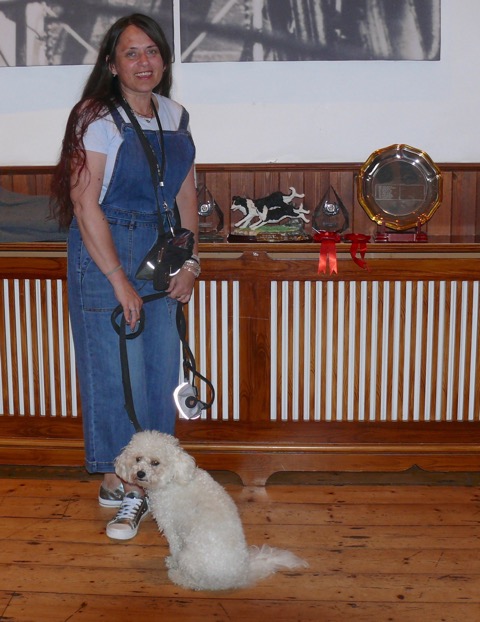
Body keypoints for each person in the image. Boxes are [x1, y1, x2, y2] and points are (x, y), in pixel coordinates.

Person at [50, 13, 199, 541]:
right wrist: (118, 279)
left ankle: (136, 480)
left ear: (164, 59)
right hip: (105, 249)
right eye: (131, 53)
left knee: (159, 372)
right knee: (118, 375)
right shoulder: (95, 116)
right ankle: (129, 489)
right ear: (112, 64)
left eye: (151, 51)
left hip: (160, 251)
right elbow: (83, 202)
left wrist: (191, 263)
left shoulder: (175, 115)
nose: (144, 62)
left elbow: (186, 195)